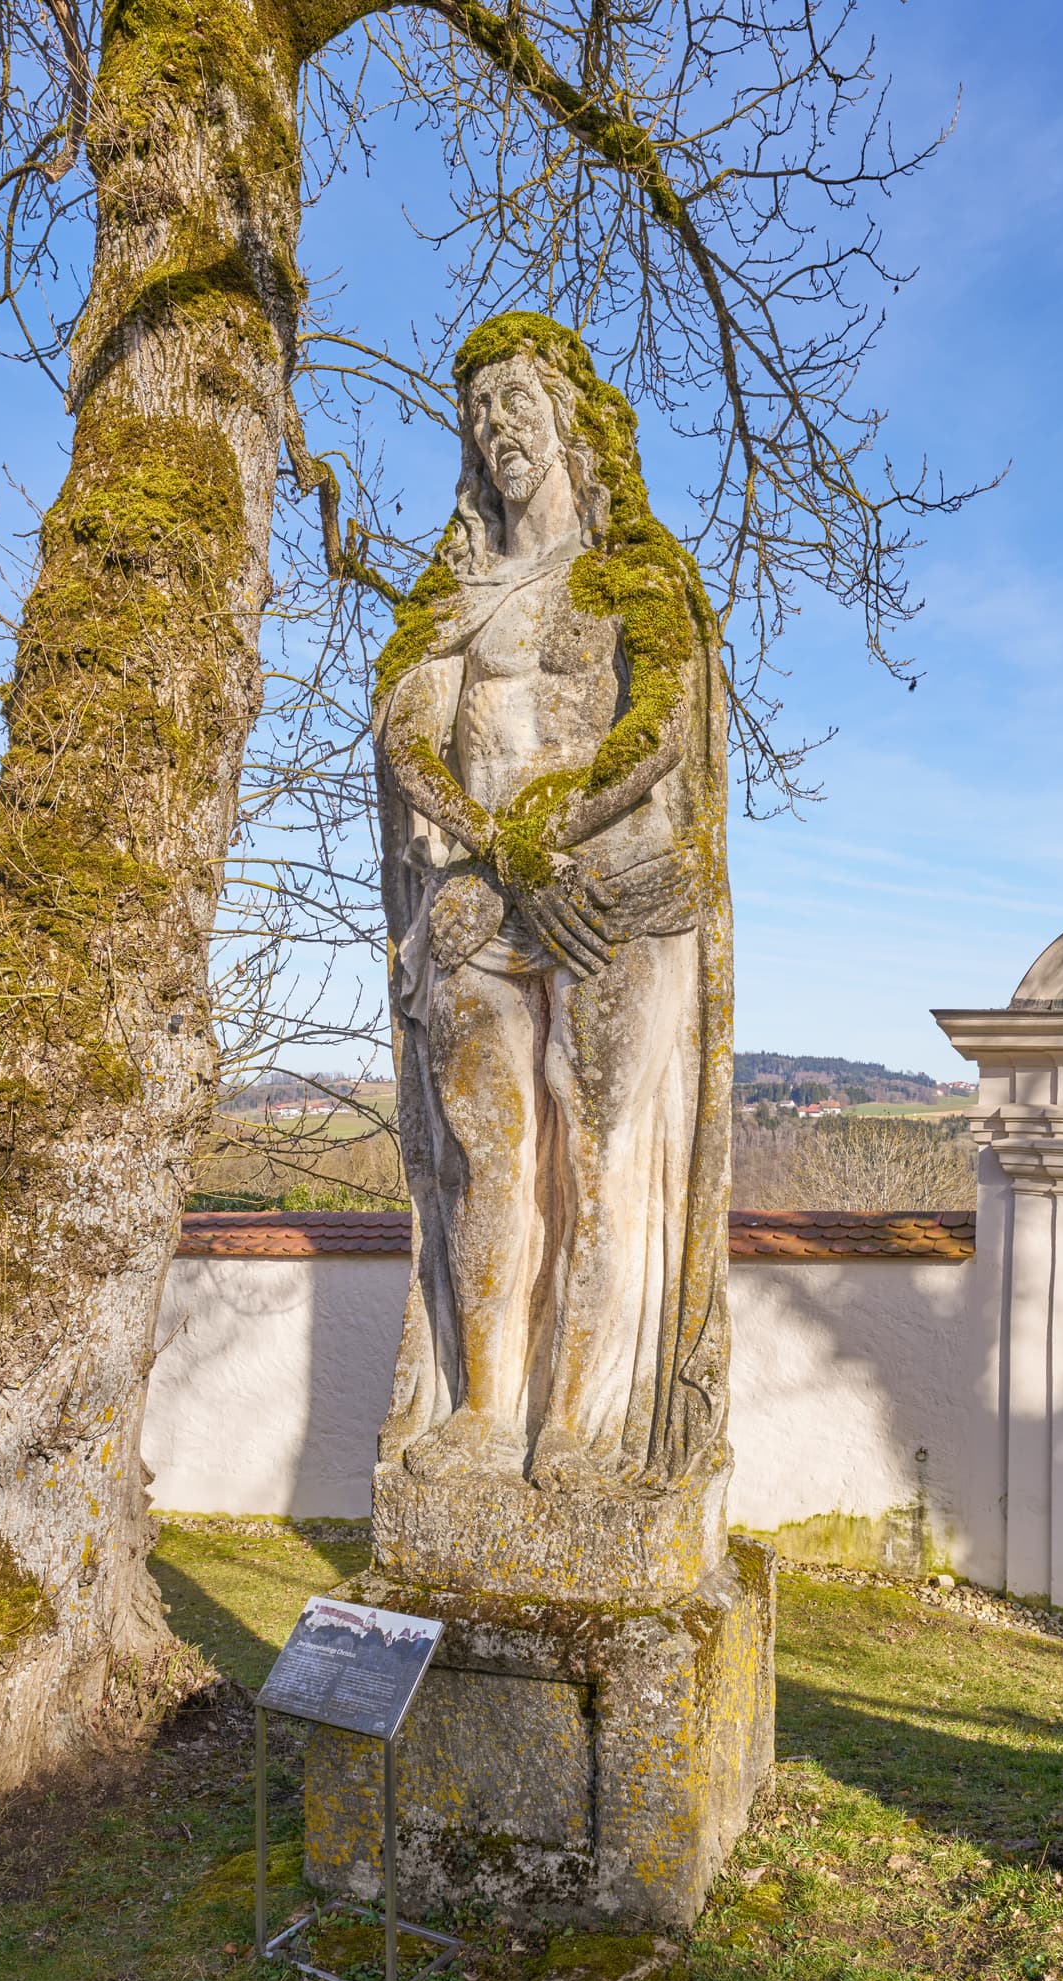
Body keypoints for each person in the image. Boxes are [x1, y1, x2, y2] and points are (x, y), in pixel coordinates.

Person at [374, 313, 731, 1495]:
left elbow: (659, 729)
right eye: (476, 411)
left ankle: (577, 1422)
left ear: (570, 417)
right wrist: (495, 844)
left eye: (514, 401)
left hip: (614, 895)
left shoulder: (637, 574)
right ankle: (486, 1408)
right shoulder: (454, 595)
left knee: (601, 1151)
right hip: (486, 898)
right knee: (488, 1156)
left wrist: (548, 835)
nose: (493, 427)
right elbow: (409, 741)